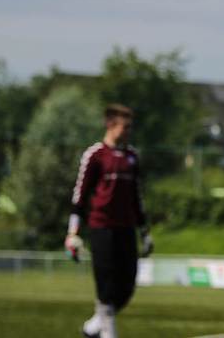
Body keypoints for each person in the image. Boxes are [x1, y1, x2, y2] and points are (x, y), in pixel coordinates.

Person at [64, 104, 153, 338]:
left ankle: (92, 328)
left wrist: (145, 232)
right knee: (106, 287)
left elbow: (137, 198)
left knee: (126, 288)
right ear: (110, 125)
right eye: (125, 127)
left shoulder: (132, 157)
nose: (128, 132)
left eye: (130, 127)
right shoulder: (95, 155)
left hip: (127, 229)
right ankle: (107, 333)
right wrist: (72, 233)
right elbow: (79, 197)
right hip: (102, 228)